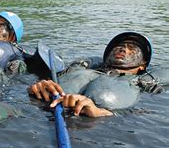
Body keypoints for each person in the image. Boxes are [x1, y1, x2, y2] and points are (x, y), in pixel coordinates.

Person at [27, 32, 167, 117]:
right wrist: (36, 88)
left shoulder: (144, 85)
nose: (123, 49)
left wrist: (101, 112)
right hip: (43, 115)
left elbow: (145, 114)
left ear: (142, 65)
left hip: (97, 134)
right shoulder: (81, 70)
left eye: (132, 49)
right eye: (120, 46)